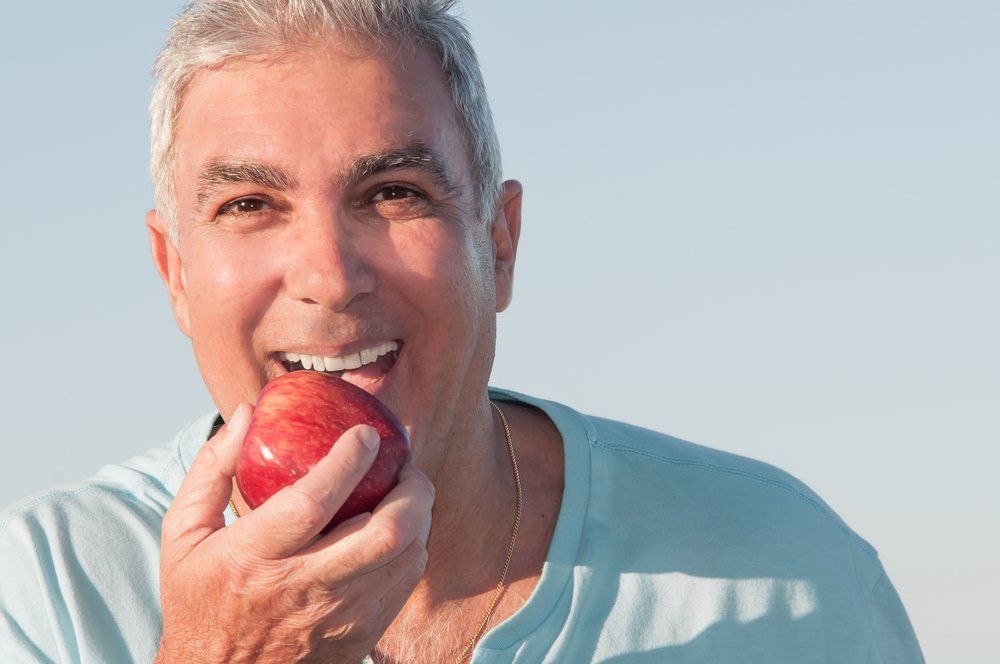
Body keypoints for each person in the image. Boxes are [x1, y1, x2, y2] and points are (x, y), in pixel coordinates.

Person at [0, 1, 924, 662]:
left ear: (501, 242)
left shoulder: (783, 572)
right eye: (249, 203)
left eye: (394, 193)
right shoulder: (43, 593)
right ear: (174, 274)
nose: (328, 274)